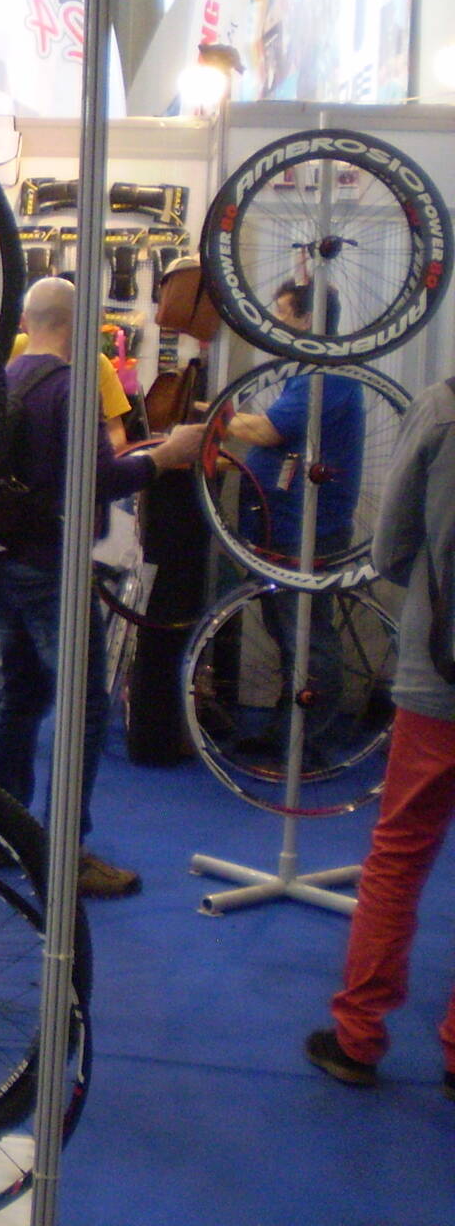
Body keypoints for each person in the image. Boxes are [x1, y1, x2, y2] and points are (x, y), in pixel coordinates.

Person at [0, 276, 203, 898]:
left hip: (2, 558)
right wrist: (166, 456)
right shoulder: (72, 387)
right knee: (82, 705)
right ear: (78, 323)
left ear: (28, 321)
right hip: (50, 563)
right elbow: (97, 480)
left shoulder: (0, 380)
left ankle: (0, 830)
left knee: (21, 695)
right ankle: (65, 851)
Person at [305, 372, 455, 1102]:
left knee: (399, 855)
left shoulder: (445, 404)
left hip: (439, 672)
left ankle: (358, 1037)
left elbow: (391, 546)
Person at [0, 310, 136, 742]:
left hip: (2, 538)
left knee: (16, 669)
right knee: (81, 696)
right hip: (49, 544)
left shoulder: (4, 371)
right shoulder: (74, 378)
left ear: (25, 320)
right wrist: (159, 460)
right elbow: (104, 470)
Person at [221, 279, 364, 756]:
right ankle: (288, 731)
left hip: (309, 528)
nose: (276, 323)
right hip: (282, 522)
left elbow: (268, 431)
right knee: (289, 633)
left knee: (307, 636)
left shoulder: (327, 374)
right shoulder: (306, 371)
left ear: (307, 319)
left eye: (283, 314)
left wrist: (214, 417)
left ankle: (306, 743)